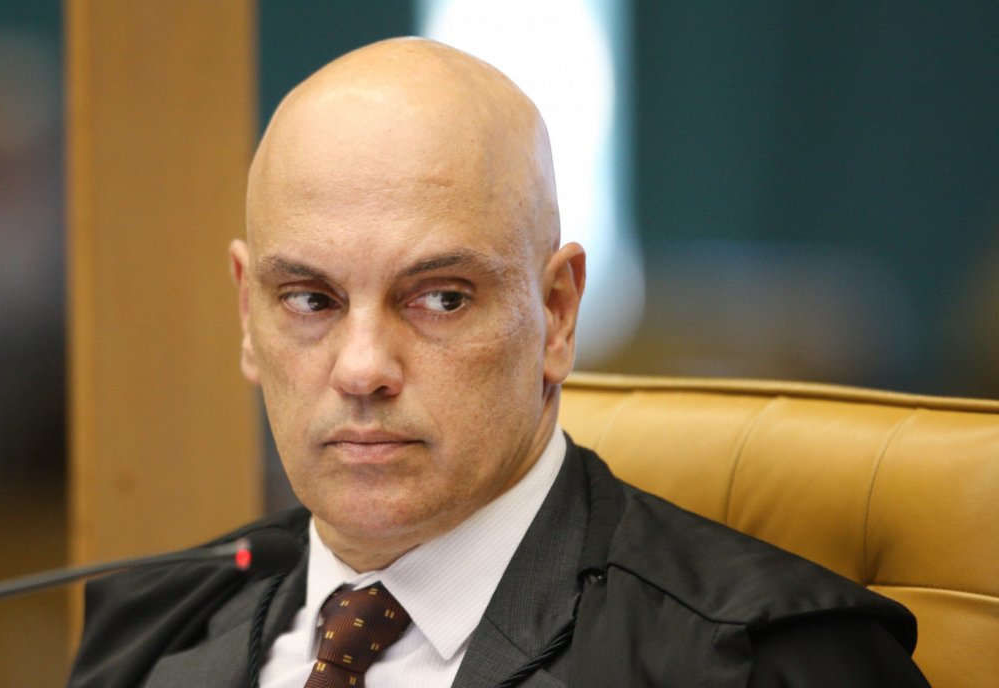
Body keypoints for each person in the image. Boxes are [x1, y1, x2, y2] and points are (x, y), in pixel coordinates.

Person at [67, 37, 930, 688]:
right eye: (310, 300)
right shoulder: (149, 627)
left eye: (440, 298)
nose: (362, 370)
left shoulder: (771, 661)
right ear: (247, 317)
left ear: (556, 313)